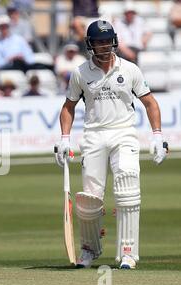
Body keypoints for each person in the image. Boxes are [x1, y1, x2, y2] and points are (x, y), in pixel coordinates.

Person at [55, 20, 168, 270]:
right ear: (90, 44)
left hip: (124, 133)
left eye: (107, 40)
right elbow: (68, 107)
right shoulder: (80, 73)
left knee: (127, 188)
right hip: (94, 135)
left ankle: (128, 252)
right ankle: (89, 250)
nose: (104, 45)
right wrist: (64, 138)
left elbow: (150, 103)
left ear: (114, 41)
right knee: (89, 199)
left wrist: (157, 136)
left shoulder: (129, 69)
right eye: (99, 41)